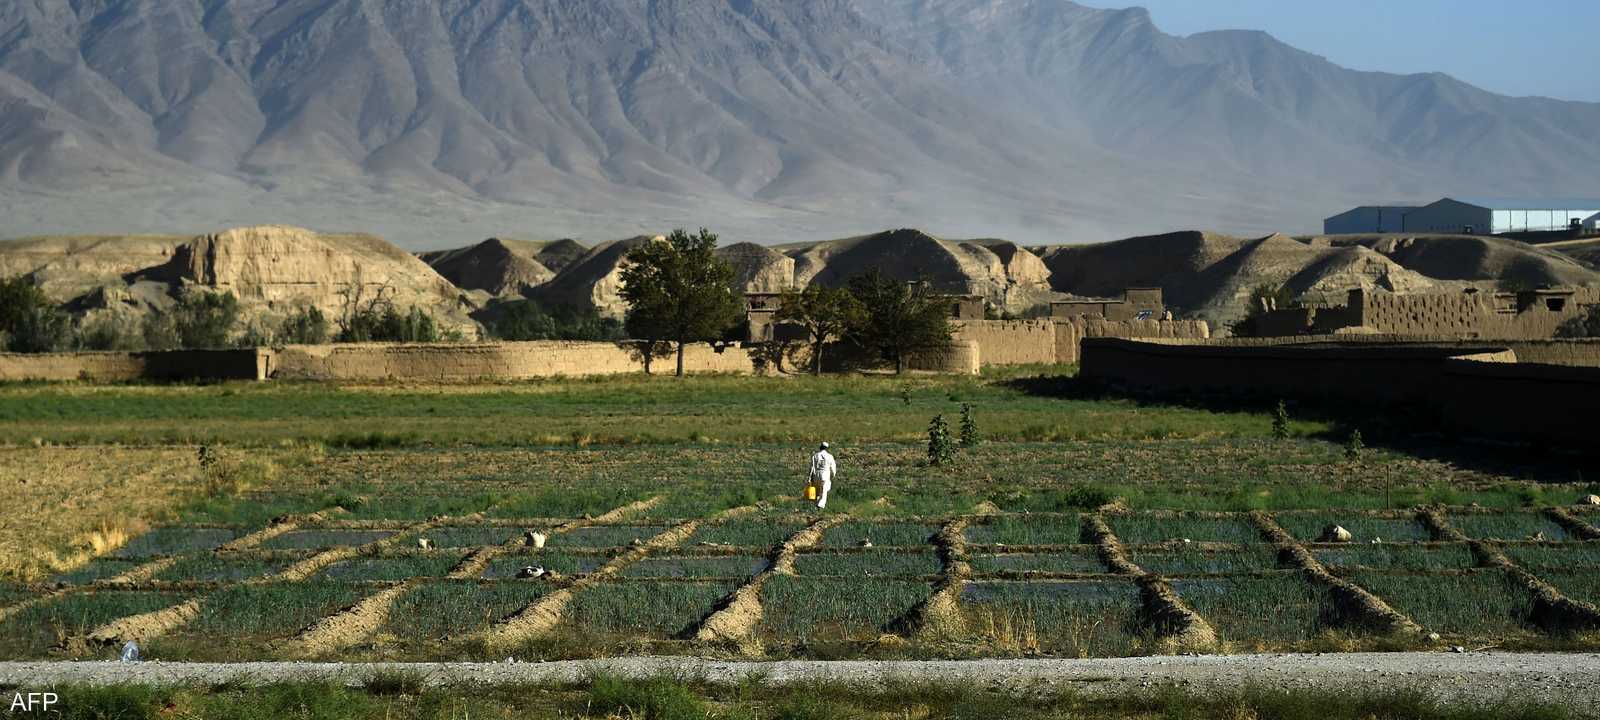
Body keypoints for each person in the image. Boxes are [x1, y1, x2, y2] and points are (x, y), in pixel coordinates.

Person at [809, 442, 837, 509]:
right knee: (824, 491)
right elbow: (833, 468)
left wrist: (810, 478)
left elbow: (811, 467)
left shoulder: (815, 455)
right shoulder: (830, 456)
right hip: (825, 476)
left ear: (820, 447)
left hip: (816, 476)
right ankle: (820, 506)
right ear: (827, 448)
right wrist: (832, 475)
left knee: (818, 491)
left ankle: (816, 506)